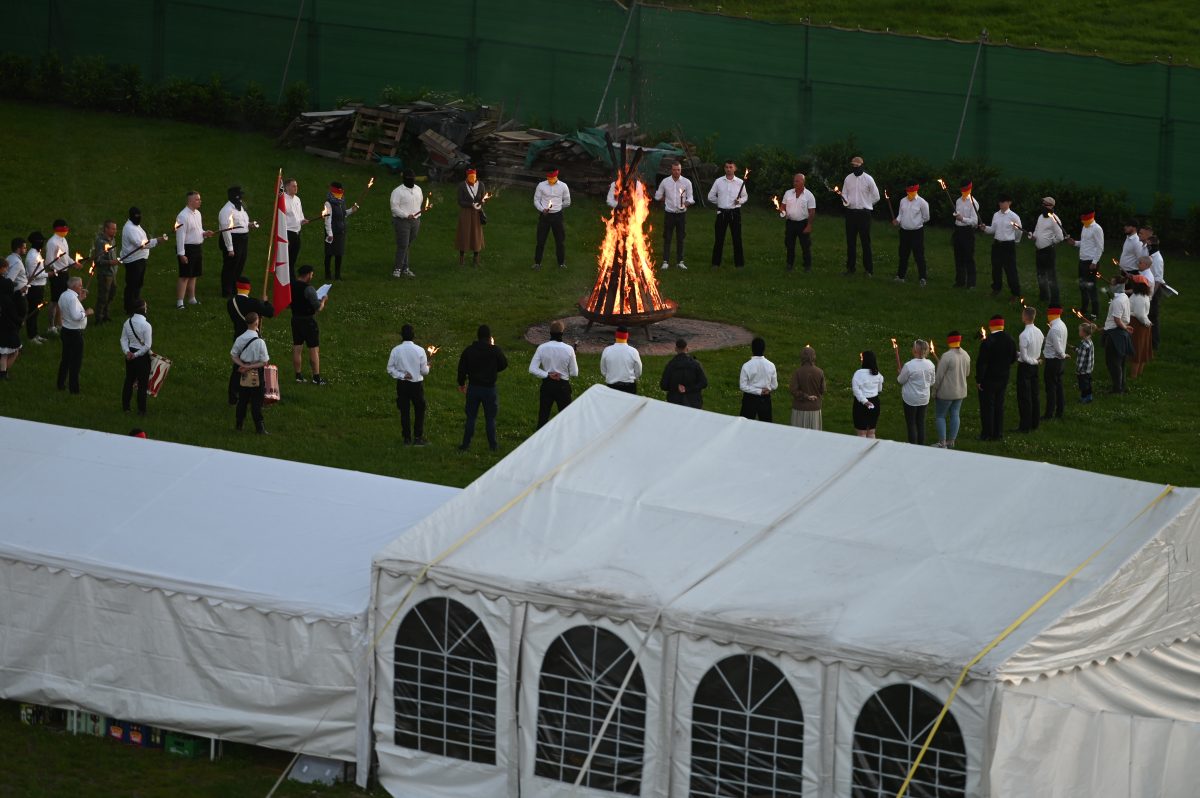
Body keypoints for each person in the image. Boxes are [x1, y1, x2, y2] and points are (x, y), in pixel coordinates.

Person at [456, 324, 507, 451]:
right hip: (489, 389)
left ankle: (465, 444)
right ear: (489, 337)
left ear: (478, 336)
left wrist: (462, 384)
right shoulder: (494, 350)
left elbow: (461, 370)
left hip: (473, 388)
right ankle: (493, 445)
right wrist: (493, 369)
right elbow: (504, 364)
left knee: (471, 417)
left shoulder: (469, 350)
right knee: (490, 418)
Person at [226, 276, 276, 404]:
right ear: (249, 288)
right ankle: (255, 394)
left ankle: (233, 395)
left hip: (238, 336)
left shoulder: (231, 302)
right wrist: (265, 302)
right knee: (256, 366)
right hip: (253, 338)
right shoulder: (254, 303)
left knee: (238, 367)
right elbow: (270, 312)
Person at [386, 323, 431, 445]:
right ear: (413, 336)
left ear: (401, 335)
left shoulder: (396, 350)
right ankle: (418, 437)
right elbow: (424, 371)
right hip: (416, 385)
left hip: (402, 384)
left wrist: (402, 375)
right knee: (419, 410)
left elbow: (390, 368)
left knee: (404, 411)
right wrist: (428, 367)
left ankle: (406, 438)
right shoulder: (420, 350)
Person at [528, 319, 578, 427]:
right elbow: (574, 373)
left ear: (550, 332)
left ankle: (539, 441)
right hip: (563, 386)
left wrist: (547, 375)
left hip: (547, 385)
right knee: (566, 419)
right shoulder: (569, 349)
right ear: (562, 333)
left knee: (543, 417)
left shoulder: (542, 348)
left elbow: (532, 368)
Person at [121, 207, 168, 314]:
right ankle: (129, 307)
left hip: (140, 260)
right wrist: (157, 241)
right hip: (133, 261)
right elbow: (141, 244)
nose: (139, 218)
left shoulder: (136, 226)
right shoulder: (129, 228)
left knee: (138, 283)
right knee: (132, 284)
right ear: (131, 216)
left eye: (139, 215)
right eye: (136, 216)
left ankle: (136, 304)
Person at [976, 314, 1016, 441]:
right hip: (1003, 377)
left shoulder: (988, 341)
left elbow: (982, 362)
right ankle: (998, 433)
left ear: (991, 326)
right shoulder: (1010, 339)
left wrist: (979, 379)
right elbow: (1013, 358)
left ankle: (987, 433)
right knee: (999, 405)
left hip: (989, 378)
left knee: (987, 406)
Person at [231, 311, 270, 434]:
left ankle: (239, 424)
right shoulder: (260, 342)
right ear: (256, 323)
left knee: (242, 400)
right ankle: (260, 428)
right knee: (256, 402)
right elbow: (265, 362)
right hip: (256, 374)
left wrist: (243, 365)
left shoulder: (240, 338)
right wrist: (251, 366)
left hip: (242, 372)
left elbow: (233, 355)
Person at [174, 191, 215, 309]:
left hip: (197, 248)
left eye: (199, 199)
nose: (200, 201)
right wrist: (181, 254)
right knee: (185, 275)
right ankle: (180, 302)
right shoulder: (182, 216)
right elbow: (180, 236)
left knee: (194, 275)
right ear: (190, 201)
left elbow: (198, 230)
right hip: (187, 248)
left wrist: (205, 233)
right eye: (197, 199)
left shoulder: (198, 214)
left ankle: (192, 298)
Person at [842, 156, 880, 276]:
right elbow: (844, 193)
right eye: (853, 166)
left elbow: (876, 196)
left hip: (864, 214)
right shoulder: (848, 179)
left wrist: (868, 204)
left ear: (862, 166)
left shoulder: (868, 179)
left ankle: (868, 270)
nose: (855, 168)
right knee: (850, 242)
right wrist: (846, 202)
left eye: (857, 166)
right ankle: (850, 268)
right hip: (851, 213)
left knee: (865, 242)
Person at [980, 194, 1022, 300]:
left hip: (1008, 246)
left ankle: (1015, 293)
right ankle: (996, 288)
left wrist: (1014, 241)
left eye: (1003, 202)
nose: (1001, 204)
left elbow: (1019, 232)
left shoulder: (1014, 216)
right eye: (1000, 202)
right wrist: (985, 228)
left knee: (1010, 270)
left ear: (1009, 203)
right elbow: (993, 229)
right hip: (997, 245)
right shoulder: (996, 215)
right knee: (996, 268)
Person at [932, 331, 971, 448]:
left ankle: (942, 442)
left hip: (946, 393)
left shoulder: (946, 356)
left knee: (940, 416)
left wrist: (934, 391)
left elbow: (938, 377)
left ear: (949, 341)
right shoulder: (966, 355)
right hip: (960, 392)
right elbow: (967, 373)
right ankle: (951, 441)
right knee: (955, 414)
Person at [290, 265, 327, 385]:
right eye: (311, 274)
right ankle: (316, 377)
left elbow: (288, 304)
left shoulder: (291, 286)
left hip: (295, 319)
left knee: (297, 347)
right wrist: (323, 301)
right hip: (308, 321)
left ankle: (298, 376)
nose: (312, 276)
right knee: (314, 348)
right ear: (307, 275)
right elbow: (318, 308)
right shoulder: (309, 289)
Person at [654, 160, 694, 270]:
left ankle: (680, 261)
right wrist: (663, 199)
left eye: (678, 170)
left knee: (680, 237)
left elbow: (691, 197)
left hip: (681, 214)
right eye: (674, 170)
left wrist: (687, 202)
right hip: (669, 214)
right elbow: (657, 195)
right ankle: (665, 261)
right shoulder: (665, 182)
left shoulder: (687, 182)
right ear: (671, 170)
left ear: (681, 170)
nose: (676, 172)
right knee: (667, 237)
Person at [708, 160, 747, 269]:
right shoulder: (718, 181)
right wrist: (720, 202)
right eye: (726, 167)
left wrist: (739, 201)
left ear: (735, 168)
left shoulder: (740, 182)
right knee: (719, 239)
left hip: (735, 213)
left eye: (730, 167)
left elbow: (745, 196)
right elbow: (710, 196)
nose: (728, 169)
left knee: (737, 239)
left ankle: (739, 264)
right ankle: (715, 263)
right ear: (724, 169)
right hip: (722, 213)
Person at [56, 275, 92, 393]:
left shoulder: (64, 295)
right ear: (75, 286)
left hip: (66, 331)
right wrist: (86, 313)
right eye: (80, 285)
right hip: (74, 333)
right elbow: (76, 316)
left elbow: (67, 309)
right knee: (75, 362)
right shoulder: (72, 298)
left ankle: (60, 383)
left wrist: (79, 300)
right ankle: (74, 389)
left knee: (65, 359)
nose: (82, 287)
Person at [897, 339, 936, 444]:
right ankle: (921, 445)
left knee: (911, 423)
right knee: (921, 422)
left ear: (915, 350)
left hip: (910, 398)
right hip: (924, 398)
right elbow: (932, 381)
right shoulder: (930, 364)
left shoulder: (909, 365)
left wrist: (900, 373)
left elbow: (900, 380)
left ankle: (912, 446)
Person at [1067, 210, 1104, 320]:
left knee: (1091, 288)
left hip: (1091, 263)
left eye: (1084, 219)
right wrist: (1075, 243)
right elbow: (1085, 243)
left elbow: (1100, 247)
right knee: (1082, 286)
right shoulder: (1085, 227)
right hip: (1082, 261)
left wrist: (1094, 262)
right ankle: (1083, 309)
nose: (1082, 221)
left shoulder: (1097, 229)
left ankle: (1095, 313)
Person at [1028, 197, 1065, 305]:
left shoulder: (1055, 219)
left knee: (1051, 276)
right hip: (1039, 251)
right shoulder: (1040, 217)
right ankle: (1043, 296)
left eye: (1046, 205)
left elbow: (1060, 237)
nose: (1044, 206)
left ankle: (1055, 300)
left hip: (1048, 251)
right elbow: (1037, 230)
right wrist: (1033, 236)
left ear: (1052, 206)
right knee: (1040, 275)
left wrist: (1050, 242)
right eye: (1043, 204)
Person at [532, 169, 570, 270]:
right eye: (549, 178)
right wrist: (541, 209)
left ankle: (561, 263)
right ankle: (537, 263)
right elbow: (536, 200)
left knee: (560, 241)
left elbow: (567, 201)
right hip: (544, 216)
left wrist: (558, 208)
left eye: (552, 178)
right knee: (540, 240)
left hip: (557, 216)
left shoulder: (563, 186)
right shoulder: (541, 185)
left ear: (556, 176)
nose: (551, 180)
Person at [893, 181, 930, 285]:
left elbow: (926, 217)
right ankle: (900, 276)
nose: (910, 193)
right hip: (904, 232)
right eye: (909, 191)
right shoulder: (902, 201)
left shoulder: (922, 202)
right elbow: (900, 214)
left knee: (919, 255)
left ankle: (922, 278)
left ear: (916, 190)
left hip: (917, 232)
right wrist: (897, 220)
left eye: (912, 191)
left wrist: (916, 223)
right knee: (903, 254)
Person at [119, 299, 152, 415]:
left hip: (130, 354)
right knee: (142, 384)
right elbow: (147, 345)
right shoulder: (146, 325)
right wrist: (136, 355)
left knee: (129, 380)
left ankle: (126, 407)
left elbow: (123, 339)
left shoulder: (128, 322)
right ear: (143, 309)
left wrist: (127, 351)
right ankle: (141, 410)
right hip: (141, 356)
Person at [779, 173, 817, 272]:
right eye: (794, 181)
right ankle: (789, 264)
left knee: (805, 245)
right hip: (790, 223)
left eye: (797, 181)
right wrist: (782, 211)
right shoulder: (788, 193)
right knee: (789, 245)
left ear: (803, 182)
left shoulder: (809, 195)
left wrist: (809, 225)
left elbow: (812, 212)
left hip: (803, 223)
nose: (794, 183)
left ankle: (807, 265)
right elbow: (782, 206)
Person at [218, 185, 251, 297]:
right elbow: (225, 230)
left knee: (239, 265)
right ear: (234, 196)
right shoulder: (226, 210)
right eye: (240, 196)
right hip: (233, 240)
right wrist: (230, 248)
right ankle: (227, 291)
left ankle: (234, 288)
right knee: (230, 266)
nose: (242, 198)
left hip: (243, 239)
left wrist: (249, 225)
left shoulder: (241, 208)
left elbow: (241, 222)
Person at [1016, 306, 1044, 432]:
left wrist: (1034, 361)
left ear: (1025, 317)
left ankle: (1025, 426)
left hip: (1026, 367)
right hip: (1035, 367)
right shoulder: (1039, 332)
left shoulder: (1024, 335)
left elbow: (1025, 357)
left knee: (1024, 397)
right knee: (1034, 394)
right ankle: (1035, 422)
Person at [1102, 275, 1132, 393]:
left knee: (1113, 363)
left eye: (1112, 284)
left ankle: (1117, 389)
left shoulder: (1118, 301)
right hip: (1120, 333)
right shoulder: (1124, 297)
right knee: (1121, 362)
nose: (1110, 285)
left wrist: (1125, 327)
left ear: (1118, 286)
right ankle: (1121, 386)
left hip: (1115, 334)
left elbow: (1117, 320)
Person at [323, 181, 358, 280]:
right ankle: (327, 274)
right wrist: (330, 234)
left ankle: (337, 275)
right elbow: (328, 219)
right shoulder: (328, 203)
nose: (340, 195)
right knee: (329, 254)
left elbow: (343, 214)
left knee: (339, 254)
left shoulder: (341, 201)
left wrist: (351, 210)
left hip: (340, 231)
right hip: (332, 232)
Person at [660, 337, 707, 408]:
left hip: (675, 402)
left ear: (676, 349)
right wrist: (689, 389)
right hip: (693, 401)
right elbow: (704, 383)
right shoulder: (695, 364)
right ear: (687, 349)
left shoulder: (670, 365)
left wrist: (676, 387)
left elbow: (663, 385)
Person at [87, 220, 119, 324]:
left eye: (115, 228)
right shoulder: (101, 242)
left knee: (112, 293)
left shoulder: (112, 240)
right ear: (106, 229)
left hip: (112, 273)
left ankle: (106, 313)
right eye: (113, 228)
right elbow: (98, 260)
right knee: (103, 296)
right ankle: (99, 317)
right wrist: (111, 262)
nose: (115, 231)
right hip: (105, 274)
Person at [738, 336, 777, 422]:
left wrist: (758, 391)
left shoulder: (747, 366)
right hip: (765, 398)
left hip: (749, 399)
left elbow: (743, 386)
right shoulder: (771, 365)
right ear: (764, 349)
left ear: (752, 349)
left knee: (744, 425)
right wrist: (766, 390)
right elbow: (774, 385)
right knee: (766, 426)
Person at [45, 219, 74, 334]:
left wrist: (73, 263)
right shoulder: (52, 243)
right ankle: (51, 326)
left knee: (62, 300)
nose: (66, 231)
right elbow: (48, 261)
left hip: (65, 273)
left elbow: (66, 257)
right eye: (63, 229)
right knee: (55, 300)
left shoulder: (64, 240)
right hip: (57, 274)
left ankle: (59, 323)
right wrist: (56, 268)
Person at [787, 345, 825, 429]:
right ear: (813, 357)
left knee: (798, 436)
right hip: (814, 408)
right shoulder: (820, 372)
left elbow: (793, 390)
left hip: (799, 409)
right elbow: (822, 390)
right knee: (814, 437)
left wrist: (806, 396)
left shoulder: (797, 372)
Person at [1041, 306, 1068, 421]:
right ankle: (1060, 411)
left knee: (1051, 388)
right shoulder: (1061, 325)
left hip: (1053, 361)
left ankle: (1049, 413)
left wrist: (1063, 355)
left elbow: (1057, 347)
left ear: (1051, 315)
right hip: (1059, 362)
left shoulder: (1055, 328)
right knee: (1059, 387)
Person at [952, 180, 980, 288]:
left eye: (966, 190)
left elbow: (974, 221)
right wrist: (956, 216)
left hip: (967, 232)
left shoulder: (973, 202)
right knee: (958, 257)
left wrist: (962, 218)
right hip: (958, 231)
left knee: (969, 257)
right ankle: (960, 281)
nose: (964, 192)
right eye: (962, 190)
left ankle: (971, 283)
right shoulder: (958, 201)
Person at [455, 169, 485, 268]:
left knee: (476, 234)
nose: (472, 179)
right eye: (470, 177)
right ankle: (462, 258)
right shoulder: (462, 186)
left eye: (474, 177)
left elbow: (483, 198)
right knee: (464, 233)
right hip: (466, 213)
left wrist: (482, 202)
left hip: (477, 213)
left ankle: (476, 258)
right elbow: (460, 201)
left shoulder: (481, 185)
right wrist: (470, 204)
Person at [851, 350, 884, 438]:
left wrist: (865, 401)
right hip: (875, 403)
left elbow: (856, 390)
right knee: (871, 433)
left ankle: (862, 452)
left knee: (861, 433)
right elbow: (879, 389)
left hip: (861, 405)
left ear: (865, 360)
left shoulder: (858, 374)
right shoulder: (878, 374)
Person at [599, 326, 642, 393]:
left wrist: (611, 376)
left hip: (611, 386)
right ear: (627, 336)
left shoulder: (607, 350)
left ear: (616, 336)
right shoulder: (633, 351)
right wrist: (633, 377)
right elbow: (638, 370)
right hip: (629, 387)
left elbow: (603, 370)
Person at [23, 231, 47, 342]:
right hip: (34, 287)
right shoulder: (32, 256)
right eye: (42, 241)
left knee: (37, 311)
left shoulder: (37, 253)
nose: (43, 243)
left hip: (39, 287)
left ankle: (35, 334)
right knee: (33, 311)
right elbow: (34, 275)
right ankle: (31, 336)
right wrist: (49, 274)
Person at [0, 257, 21, 379]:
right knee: (14, 350)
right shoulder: (7, 300)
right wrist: (20, 321)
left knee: (2, 352)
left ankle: (3, 372)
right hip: (7, 327)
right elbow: (13, 315)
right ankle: (4, 372)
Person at [1128, 279, 1153, 379]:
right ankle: (1137, 373)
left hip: (1138, 324)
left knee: (1138, 349)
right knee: (1141, 348)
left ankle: (1134, 375)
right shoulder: (1142, 296)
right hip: (1142, 323)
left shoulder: (1139, 297)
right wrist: (1148, 323)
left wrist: (1147, 323)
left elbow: (1139, 314)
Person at [282, 178, 307, 276]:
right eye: (293, 186)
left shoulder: (297, 199)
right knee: (286, 259)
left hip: (297, 232)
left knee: (293, 258)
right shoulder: (282, 199)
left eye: (296, 185)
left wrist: (302, 220)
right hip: (287, 233)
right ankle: (287, 278)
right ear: (287, 187)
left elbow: (300, 215)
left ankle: (291, 278)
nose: (296, 188)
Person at [1145, 234, 1165, 349]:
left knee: (1152, 316)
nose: (1146, 246)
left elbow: (1158, 279)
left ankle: (1154, 343)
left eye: (1148, 244)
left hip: (1153, 292)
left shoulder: (1157, 259)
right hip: (1149, 289)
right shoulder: (1151, 255)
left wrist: (1151, 295)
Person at [1075, 321, 1096, 403]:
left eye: (1080, 331)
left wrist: (1078, 369)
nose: (1079, 332)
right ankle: (1089, 396)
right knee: (1088, 383)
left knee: (1083, 385)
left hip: (1083, 370)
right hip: (1089, 368)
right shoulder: (1089, 341)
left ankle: (1084, 398)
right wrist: (1075, 349)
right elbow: (1083, 352)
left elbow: (1081, 359)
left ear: (1084, 333)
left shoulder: (1084, 344)